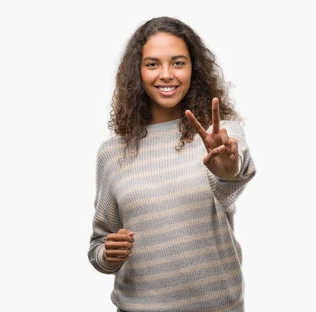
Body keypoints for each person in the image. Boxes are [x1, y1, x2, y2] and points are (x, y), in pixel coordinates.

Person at [87, 16, 256, 312]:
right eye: (152, 64)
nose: (166, 74)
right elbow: (100, 246)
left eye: (178, 63)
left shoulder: (221, 135)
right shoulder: (112, 154)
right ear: (137, 72)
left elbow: (230, 185)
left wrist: (227, 170)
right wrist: (108, 256)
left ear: (194, 69)